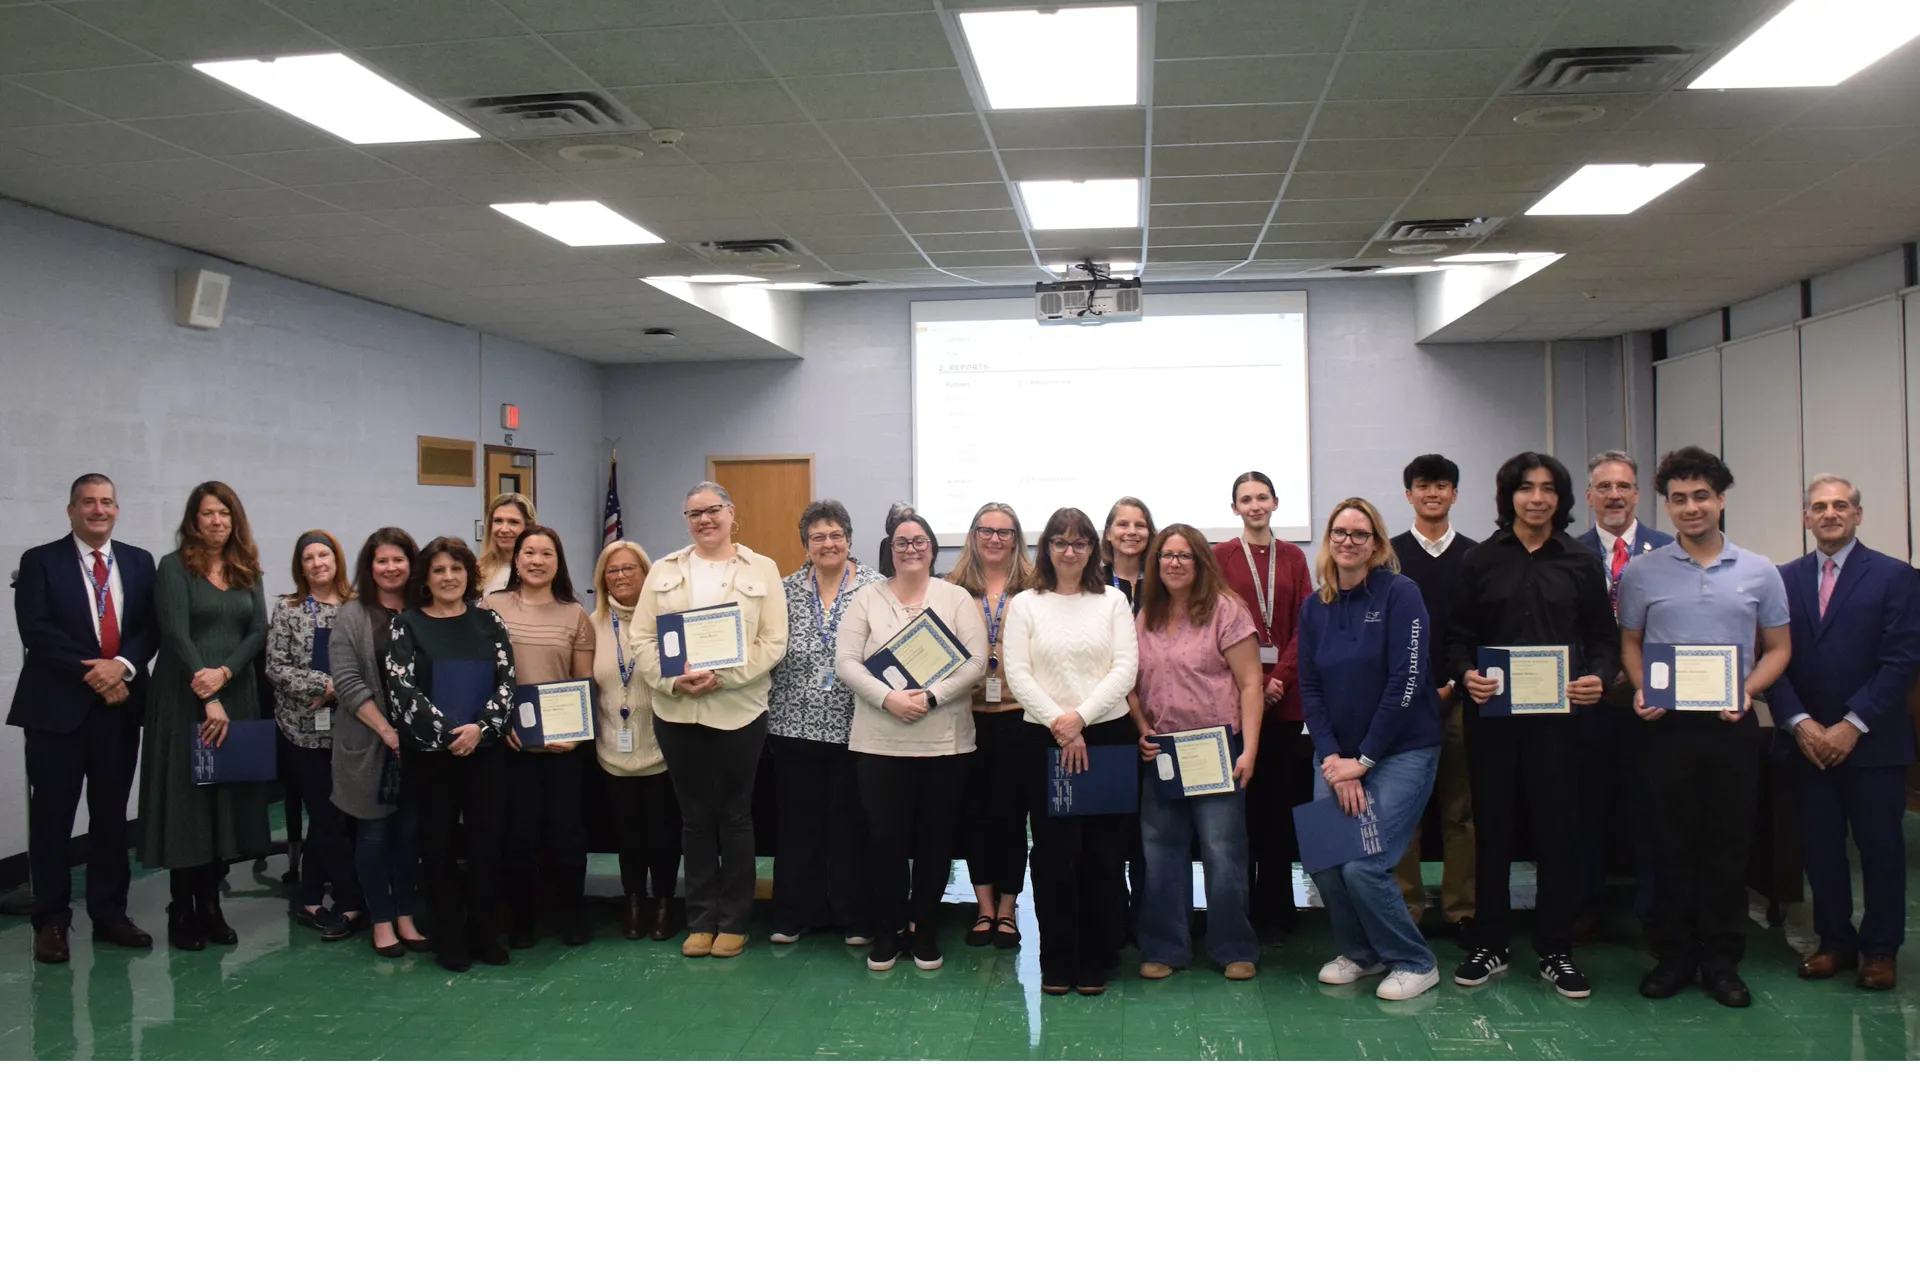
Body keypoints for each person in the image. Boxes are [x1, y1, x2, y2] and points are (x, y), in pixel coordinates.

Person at [1619, 447, 1791, 1008]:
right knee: (1668, 843)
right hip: (1664, 730)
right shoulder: (1642, 572)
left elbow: (1779, 648)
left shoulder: (1760, 571)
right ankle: (1671, 956)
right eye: (1679, 499)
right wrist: (1642, 687)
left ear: (1720, 500)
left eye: (1701, 496)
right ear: (1666, 506)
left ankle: (1721, 961)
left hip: (1731, 727)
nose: (1690, 507)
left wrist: (1747, 690)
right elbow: (1631, 642)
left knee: (1726, 844)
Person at [1446, 452, 1617, 999]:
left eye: (1548, 488)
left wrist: (1598, 678)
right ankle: (1490, 942)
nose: (1537, 498)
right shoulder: (1479, 559)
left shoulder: (1582, 562)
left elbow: (1604, 639)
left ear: (1561, 499)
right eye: (1526, 488)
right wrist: (1466, 674)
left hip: (1559, 726)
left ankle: (1556, 949)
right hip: (1493, 722)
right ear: (1509, 496)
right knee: (1492, 831)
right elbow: (1456, 638)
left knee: (1557, 834)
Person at [1772, 475, 1920, 991]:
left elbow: (1902, 660)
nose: (1830, 513)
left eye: (1840, 505)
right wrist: (1799, 723)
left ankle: (1880, 950)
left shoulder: (1896, 576)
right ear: (1806, 518)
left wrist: (1852, 725)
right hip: (1808, 744)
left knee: (1881, 850)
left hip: (1874, 742)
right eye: (1819, 507)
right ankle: (1834, 942)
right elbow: (1771, 658)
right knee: (1820, 850)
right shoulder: (1783, 579)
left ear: (1857, 514)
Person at [634, 482, 790, 960]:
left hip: (738, 710)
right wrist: (672, 681)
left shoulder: (762, 569)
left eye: (713, 510)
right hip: (677, 711)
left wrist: (725, 678)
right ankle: (701, 920)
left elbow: (773, 641)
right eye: (694, 513)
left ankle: (735, 921)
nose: (705, 519)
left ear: (731, 512)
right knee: (695, 819)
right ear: (686, 520)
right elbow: (642, 639)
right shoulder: (663, 570)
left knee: (736, 817)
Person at [10, 474, 159, 964]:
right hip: (56, 712)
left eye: (106, 502)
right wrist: (97, 673)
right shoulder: (41, 561)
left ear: (117, 509)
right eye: (88, 502)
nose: (98, 510)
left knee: (111, 818)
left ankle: (110, 914)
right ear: (71, 510)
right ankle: (52, 921)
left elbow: (149, 626)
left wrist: (125, 666)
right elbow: (36, 630)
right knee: (53, 819)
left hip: (119, 711)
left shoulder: (139, 561)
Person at [1299, 499, 1444, 1000]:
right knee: (1325, 860)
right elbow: (1310, 687)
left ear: (1377, 544)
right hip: (1337, 757)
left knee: (1364, 864)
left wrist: (1362, 762)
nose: (1348, 541)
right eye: (1340, 532)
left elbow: (1407, 681)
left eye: (1360, 534)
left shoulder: (1401, 594)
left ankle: (1415, 961)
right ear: (1329, 540)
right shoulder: (1314, 606)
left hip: (1401, 751)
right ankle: (1361, 953)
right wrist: (1331, 758)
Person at [836, 509, 988, 970]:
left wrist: (931, 697)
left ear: (932, 548)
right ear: (890, 550)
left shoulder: (955, 598)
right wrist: (888, 699)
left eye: (919, 541)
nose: (911, 549)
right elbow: (846, 662)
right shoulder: (866, 598)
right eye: (901, 542)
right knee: (885, 843)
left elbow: (976, 661)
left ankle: (924, 928)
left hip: (944, 742)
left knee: (934, 842)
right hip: (880, 742)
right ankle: (890, 929)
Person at [1004, 507, 1139, 996]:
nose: (1070, 551)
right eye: (1060, 542)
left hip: (1106, 735)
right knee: (1054, 855)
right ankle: (1057, 961)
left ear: (1093, 549)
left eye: (1080, 542)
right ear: (1047, 548)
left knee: (1104, 854)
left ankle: (1097, 958)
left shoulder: (1113, 601)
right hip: (1043, 738)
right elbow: (1017, 673)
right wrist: (1062, 726)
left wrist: (1080, 718)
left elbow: (1125, 668)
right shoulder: (1026, 604)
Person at [136, 481, 272, 950]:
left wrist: (226, 673)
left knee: (224, 801)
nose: (217, 521)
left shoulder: (246, 568)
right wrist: (207, 691)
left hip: (236, 695)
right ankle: (182, 908)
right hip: (183, 699)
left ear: (235, 521)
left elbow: (258, 629)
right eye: (208, 513)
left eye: (225, 513)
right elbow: (175, 632)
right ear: (194, 520)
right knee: (187, 804)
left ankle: (212, 905)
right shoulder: (173, 567)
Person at [1127, 525, 1262, 981]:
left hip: (1217, 750)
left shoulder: (1226, 610)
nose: (1175, 563)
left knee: (1223, 851)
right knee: (1161, 852)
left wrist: (1250, 751)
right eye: (1166, 555)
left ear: (1201, 561)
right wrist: (1142, 728)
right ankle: (1165, 948)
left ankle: (1234, 947)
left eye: (1185, 555)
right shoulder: (1146, 615)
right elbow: (1129, 682)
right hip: (1164, 751)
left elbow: (1251, 684)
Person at [387, 537, 516, 973]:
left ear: (468, 574)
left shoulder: (489, 621)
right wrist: (448, 735)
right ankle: (449, 938)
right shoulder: (406, 625)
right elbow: (403, 690)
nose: (448, 577)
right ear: (426, 579)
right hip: (431, 757)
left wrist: (480, 728)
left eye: (456, 568)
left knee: (486, 843)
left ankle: (484, 933)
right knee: (437, 845)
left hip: (485, 751)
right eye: (439, 570)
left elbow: (507, 682)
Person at [766, 500, 882, 947]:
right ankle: (796, 914)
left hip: (858, 724)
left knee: (852, 825)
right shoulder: (784, 590)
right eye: (818, 537)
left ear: (848, 539)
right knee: (799, 824)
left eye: (836, 535)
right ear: (805, 545)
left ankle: (856, 917)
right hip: (793, 725)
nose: (828, 544)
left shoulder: (875, 587)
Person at [1573, 449, 1673, 936]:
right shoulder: (1568, 553)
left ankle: (1655, 913)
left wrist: (1639, 677)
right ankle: (1586, 908)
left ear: (1637, 494)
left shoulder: (1669, 550)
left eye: (1623, 486)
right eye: (1604, 487)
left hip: (1650, 704)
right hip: (1587, 703)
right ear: (1589, 495)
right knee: (1585, 808)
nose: (1614, 495)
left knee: (1652, 810)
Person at [483, 525, 596, 946]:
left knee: (566, 832)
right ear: (516, 559)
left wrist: (577, 736)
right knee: (518, 834)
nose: (536, 560)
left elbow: (583, 681)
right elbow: (483, 674)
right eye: (528, 552)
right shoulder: (492, 607)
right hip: (510, 744)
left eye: (546, 553)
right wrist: (503, 724)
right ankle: (521, 921)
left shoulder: (575, 614)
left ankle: (571, 915)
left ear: (558, 562)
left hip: (563, 747)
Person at [1214, 470, 1313, 943]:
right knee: (1242, 810)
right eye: (1246, 499)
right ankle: (1242, 908)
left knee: (1278, 807)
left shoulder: (1294, 557)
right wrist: (1252, 683)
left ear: (1275, 502)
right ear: (1234, 508)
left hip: (1285, 700)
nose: (1255, 506)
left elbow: (1305, 625)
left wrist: (1278, 680)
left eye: (1262, 498)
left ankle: (1276, 908)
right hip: (1236, 699)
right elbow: (1212, 624)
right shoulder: (1220, 557)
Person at [1387, 454, 1478, 938]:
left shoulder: (1476, 556)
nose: (1432, 494)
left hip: (1463, 699)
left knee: (1461, 811)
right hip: (1403, 705)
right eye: (1423, 485)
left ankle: (1463, 910)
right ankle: (1406, 910)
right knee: (1405, 811)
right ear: (1409, 495)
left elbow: (1481, 629)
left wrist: (1454, 684)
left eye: (1442, 485)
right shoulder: (1388, 555)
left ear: (1455, 494)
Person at [331, 528, 428, 959]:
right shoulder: (352, 615)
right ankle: (382, 921)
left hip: (420, 746)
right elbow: (347, 682)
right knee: (373, 834)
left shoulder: (424, 610)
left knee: (409, 835)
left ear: (412, 563)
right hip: (370, 745)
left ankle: (406, 915)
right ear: (370, 567)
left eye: (399, 559)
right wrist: (388, 732)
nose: (391, 568)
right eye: (382, 561)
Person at [948, 501, 1038, 948]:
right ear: (973, 535)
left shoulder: (1035, 589)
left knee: (1011, 815)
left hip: (1019, 717)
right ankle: (984, 908)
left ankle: (1008, 908)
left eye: (1005, 532)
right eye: (986, 530)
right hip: (965, 716)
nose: (995, 539)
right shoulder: (951, 588)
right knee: (975, 814)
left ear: (1016, 538)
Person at [267, 530, 362, 940]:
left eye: (324, 554)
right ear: (300, 567)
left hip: (352, 729)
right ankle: (351, 899)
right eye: (309, 558)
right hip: (301, 731)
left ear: (337, 559)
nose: (317, 563)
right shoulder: (287, 609)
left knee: (342, 818)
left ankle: (310, 897)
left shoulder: (356, 606)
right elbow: (276, 667)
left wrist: (343, 689)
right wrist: (327, 685)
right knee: (326, 816)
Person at [590, 539, 687, 942]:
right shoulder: (592, 624)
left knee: (664, 834)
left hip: (662, 748)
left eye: (630, 568)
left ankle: (664, 901)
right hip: (612, 751)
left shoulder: (668, 621)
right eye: (612, 570)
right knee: (626, 835)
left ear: (647, 574)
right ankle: (633, 900)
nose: (620, 576)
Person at [475, 491, 536, 594]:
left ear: (528, 527)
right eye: (498, 521)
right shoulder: (476, 571)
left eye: (513, 522)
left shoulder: (538, 571)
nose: (504, 529)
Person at [1101, 496, 1157, 608]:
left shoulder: (1160, 581)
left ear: (1149, 534)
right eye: (1123, 524)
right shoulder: (1093, 581)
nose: (1132, 531)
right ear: (1108, 533)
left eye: (1140, 525)